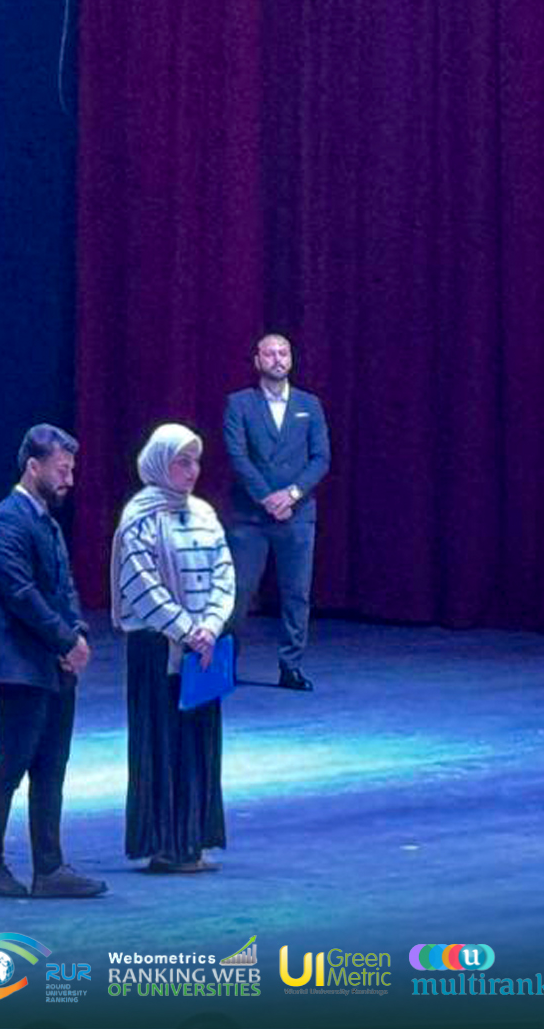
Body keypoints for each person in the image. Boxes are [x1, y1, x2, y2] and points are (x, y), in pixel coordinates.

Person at [0, 425, 108, 899]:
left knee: (52, 767)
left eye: (71, 469)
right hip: (19, 667)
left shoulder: (45, 521)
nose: (69, 478)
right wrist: (67, 641)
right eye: (61, 469)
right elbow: (21, 594)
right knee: (12, 765)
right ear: (34, 467)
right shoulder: (5, 521)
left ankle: (49, 868)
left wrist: (77, 634)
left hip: (52, 663)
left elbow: (64, 586)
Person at [113, 424, 238, 872]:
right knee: (163, 742)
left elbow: (224, 573)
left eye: (195, 461)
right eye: (181, 462)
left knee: (199, 742)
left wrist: (211, 625)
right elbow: (140, 585)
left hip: (202, 648)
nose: (192, 470)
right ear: (159, 464)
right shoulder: (139, 518)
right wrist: (186, 629)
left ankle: (195, 840)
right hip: (157, 649)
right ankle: (166, 845)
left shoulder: (204, 513)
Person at [223, 333, 330, 691]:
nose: (277, 359)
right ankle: (225, 664)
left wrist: (292, 495)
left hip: (297, 516)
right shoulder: (239, 404)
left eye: (283, 353)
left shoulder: (309, 405)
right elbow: (237, 456)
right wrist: (267, 498)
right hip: (249, 518)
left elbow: (321, 458)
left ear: (291, 359)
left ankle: (291, 666)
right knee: (238, 593)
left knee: (297, 594)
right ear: (257, 361)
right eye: (269, 354)